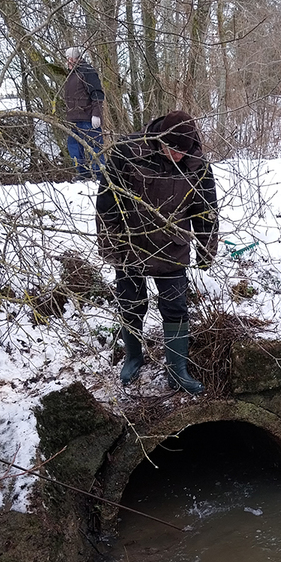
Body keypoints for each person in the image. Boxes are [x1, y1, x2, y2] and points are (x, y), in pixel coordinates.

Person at [96, 109, 218, 395]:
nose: (177, 156)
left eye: (183, 152)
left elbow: (206, 209)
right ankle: (133, 357)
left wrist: (206, 247)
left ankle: (178, 370)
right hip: (131, 244)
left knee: (175, 307)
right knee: (131, 303)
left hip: (173, 246)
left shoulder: (197, 164)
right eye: (173, 149)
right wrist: (110, 245)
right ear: (161, 137)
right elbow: (107, 202)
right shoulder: (128, 152)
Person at [62, 46, 105, 179]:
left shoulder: (87, 72)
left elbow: (97, 93)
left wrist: (96, 114)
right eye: (67, 59)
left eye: (70, 58)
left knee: (95, 146)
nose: (67, 62)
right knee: (74, 147)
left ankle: (99, 175)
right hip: (74, 119)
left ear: (76, 59)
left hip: (88, 117)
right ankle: (83, 173)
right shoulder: (72, 74)